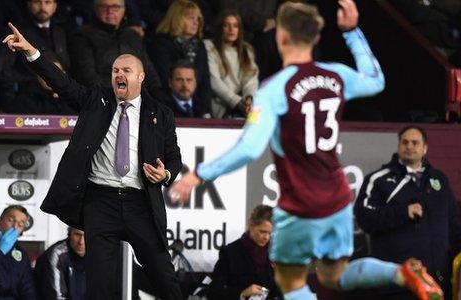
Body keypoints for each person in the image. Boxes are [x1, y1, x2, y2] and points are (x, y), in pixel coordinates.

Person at [169, 1, 445, 300]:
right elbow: (376, 80)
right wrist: (352, 32)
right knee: (333, 274)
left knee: (290, 281)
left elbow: (249, 149)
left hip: (300, 203)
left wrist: (199, 174)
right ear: (315, 38)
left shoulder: (274, 90)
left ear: (282, 38)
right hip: (338, 197)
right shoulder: (335, 75)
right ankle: (399, 272)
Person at [3, 22, 183, 300]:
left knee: (165, 279)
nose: (118, 75)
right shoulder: (95, 100)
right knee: (100, 285)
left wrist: (166, 174)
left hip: (141, 204)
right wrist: (31, 52)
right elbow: (61, 83)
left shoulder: (160, 113)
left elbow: (173, 157)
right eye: (115, 71)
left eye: (126, 70)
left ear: (141, 76)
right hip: (101, 202)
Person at [355, 126, 461, 298]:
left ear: (425, 148)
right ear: (398, 146)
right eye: (404, 142)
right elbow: (364, 218)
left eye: (415, 143)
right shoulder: (379, 180)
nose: (409, 147)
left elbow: (454, 225)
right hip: (397, 286)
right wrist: (402, 212)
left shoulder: (439, 180)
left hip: (437, 284)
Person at [67, 0, 164, 103]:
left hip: (138, 99)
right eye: (104, 7)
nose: (110, 11)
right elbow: (87, 76)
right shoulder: (82, 36)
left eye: (115, 7)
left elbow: (148, 70)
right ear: (95, 9)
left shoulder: (132, 36)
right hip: (101, 100)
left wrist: (157, 95)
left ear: (123, 10)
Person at [148, 0, 211, 115]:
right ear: (176, 19)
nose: (195, 23)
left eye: (197, 19)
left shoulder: (199, 45)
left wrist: (206, 112)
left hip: (197, 107)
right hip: (168, 108)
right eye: (190, 18)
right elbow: (164, 79)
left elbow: (205, 83)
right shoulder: (161, 44)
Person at [206, 205, 281, 300]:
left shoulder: (274, 253)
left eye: (270, 233)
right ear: (251, 226)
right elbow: (213, 292)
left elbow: (279, 291)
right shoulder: (230, 252)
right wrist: (242, 293)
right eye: (262, 232)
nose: (266, 237)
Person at [204, 10, 259, 119]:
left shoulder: (246, 50)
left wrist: (249, 99)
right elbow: (214, 81)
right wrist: (236, 102)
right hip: (219, 105)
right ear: (220, 28)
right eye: (226, 25)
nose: (231, 30)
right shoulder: (209, 47)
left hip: (243, 105)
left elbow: (251, 80)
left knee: (257, 120)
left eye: (235, 26)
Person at [34, 227, 86, 299]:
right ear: (70, 234)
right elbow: (56, 297)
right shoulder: (57, 254)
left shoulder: (100, 253)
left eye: (87, 236)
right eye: (77, 234)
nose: (81, 242)